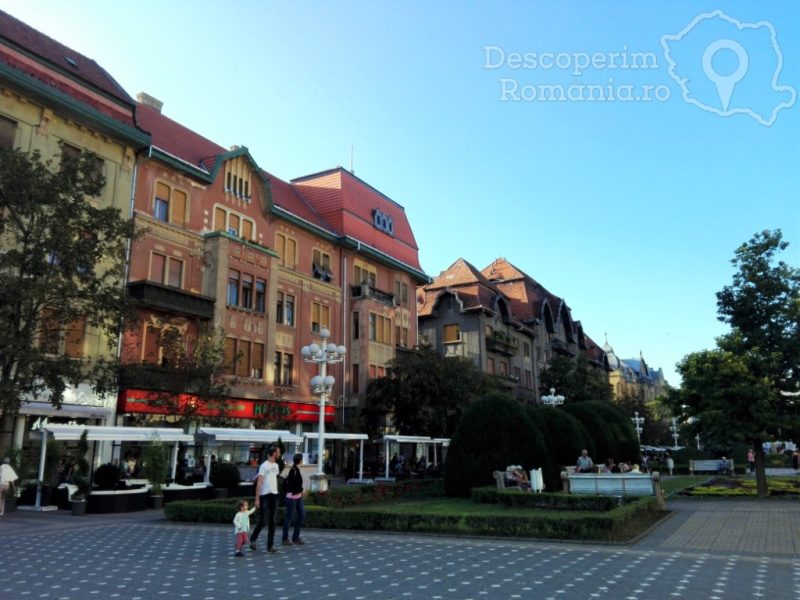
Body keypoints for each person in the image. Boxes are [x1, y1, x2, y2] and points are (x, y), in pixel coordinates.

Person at [250, 445, 281, 554]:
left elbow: (274, 479)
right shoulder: (264, 466)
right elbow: (260, 482)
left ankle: (270, 546)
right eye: (278, 452)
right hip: (265, 496)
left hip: (274, 495)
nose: (279, 454)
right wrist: (257, 499)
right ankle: (253, 539)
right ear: (274, 453)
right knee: (263, 521)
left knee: (273, 521)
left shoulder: (276, 466)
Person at [282, 453, 306, 546]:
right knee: (289, 518)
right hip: (291, 497)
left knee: (302, 515)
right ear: (300, 461)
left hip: (298, 497)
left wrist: (300, 491)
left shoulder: (297, 470)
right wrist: (301, 490)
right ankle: (285, 538)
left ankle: (296, 537)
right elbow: (292, 485)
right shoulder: (293, 470)